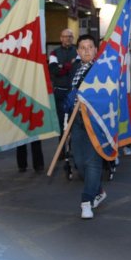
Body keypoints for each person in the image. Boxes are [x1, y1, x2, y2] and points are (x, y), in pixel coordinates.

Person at [66, 34, 106, 219]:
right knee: (80, 162)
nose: (86, 50)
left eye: (90, 47)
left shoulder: (100, 69)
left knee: (93, 162)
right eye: (82, 47)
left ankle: (86, 201)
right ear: (78, 51)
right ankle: (98, 190)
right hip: (77, 121)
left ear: (96, 50)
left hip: (95, 121)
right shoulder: (77, 69)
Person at [49, 28, 78, 177]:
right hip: (60, 92)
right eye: (65, 36)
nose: (68, 39)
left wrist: (64, 67)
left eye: (70, 37)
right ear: (61, 38)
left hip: (73, 92)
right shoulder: (54, 53)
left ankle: (72, 149)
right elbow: (54, 70)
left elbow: (79, 68)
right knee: (61, 123)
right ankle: (61, 150)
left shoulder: (78, 52)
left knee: (75, 122)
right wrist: (68, 66)